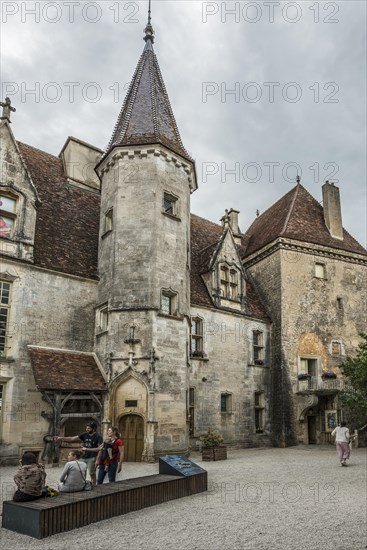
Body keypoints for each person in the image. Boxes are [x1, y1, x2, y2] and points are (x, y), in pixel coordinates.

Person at [55, 421, 102, 486]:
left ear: (93, 429)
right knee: (81, 472)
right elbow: (72, 438)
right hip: (83, 457)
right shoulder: (84, 434)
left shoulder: (98, 437)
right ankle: (82, 485)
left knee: (92, 473)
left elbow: (100, 449)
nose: (87, 429)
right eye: (86, 428)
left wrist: (97, 458)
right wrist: (61, 438)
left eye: (89, 428)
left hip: (92, 457)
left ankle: (94, 486)